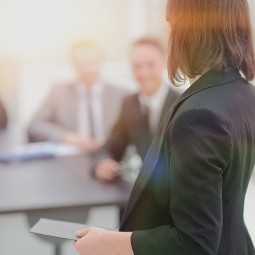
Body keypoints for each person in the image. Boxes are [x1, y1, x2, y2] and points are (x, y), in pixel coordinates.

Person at [74, 0, 255, 255]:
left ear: (191, 30)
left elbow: (194, 244)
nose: (169, 35)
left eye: (170, 25)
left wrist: (109, 243)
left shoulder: (198, 117)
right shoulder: (243, 94)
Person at [94, 37, 180, 182]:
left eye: (150, 65)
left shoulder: (182, 103)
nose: (143, 74)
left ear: (164, 63)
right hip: (145, 189)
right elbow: (112, 146)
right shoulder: (129, 104)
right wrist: (104, 163)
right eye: (137, 66)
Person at [28, 41, 128, 153]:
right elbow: (34, 125)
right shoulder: (58, 92)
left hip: (110, 157)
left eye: (91, 62)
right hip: (72, 159)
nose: (87, 69)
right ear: (73, 64)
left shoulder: (122, 95)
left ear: (101, 62)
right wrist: (66, 137)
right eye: (81, 63)